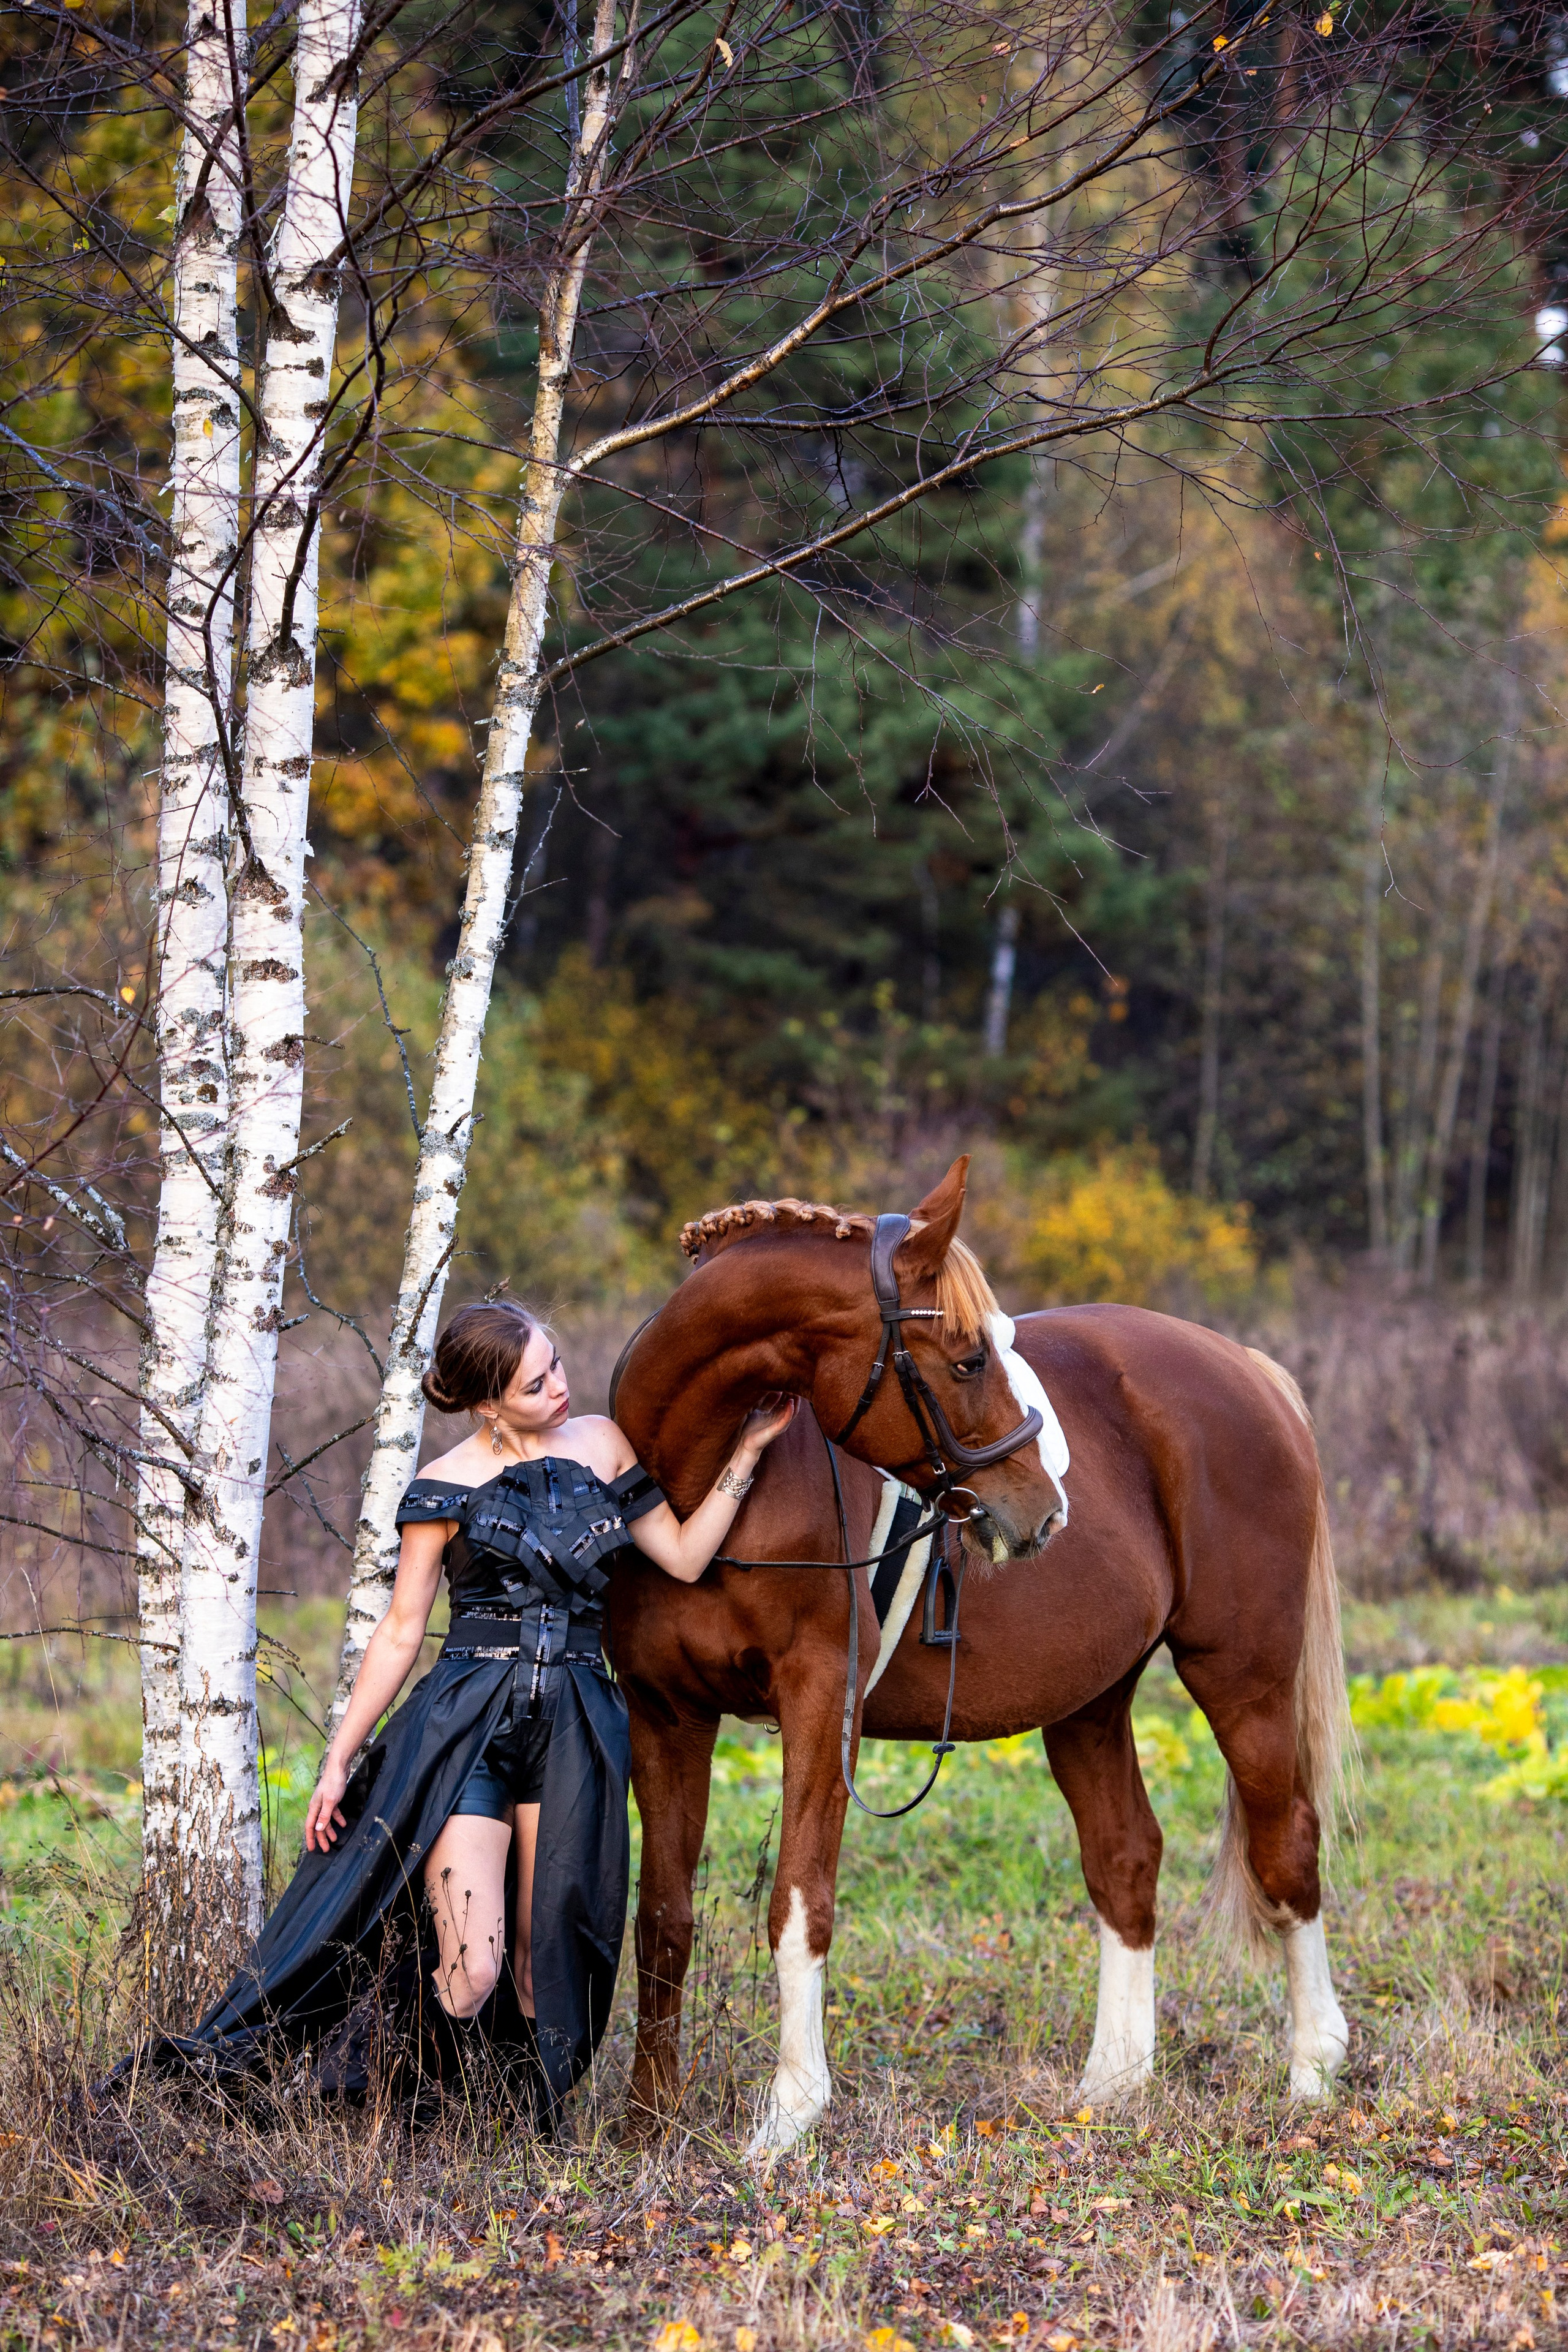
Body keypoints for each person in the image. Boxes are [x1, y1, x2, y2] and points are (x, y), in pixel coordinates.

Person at [143, 1298, 794, 2123]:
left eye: (556, 1365)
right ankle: (413, 2113)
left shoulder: (601, 1442)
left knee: (543, 1960)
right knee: (474, 1968)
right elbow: (400, 1633)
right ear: (488, 1403)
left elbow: (684, 1553)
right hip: (469, 1728)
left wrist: (747, 1453)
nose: (558, 1388)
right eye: (534, 1384)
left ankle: (519, 2128)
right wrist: (340, 1757)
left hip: (579, 1728)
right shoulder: (443, 1487)